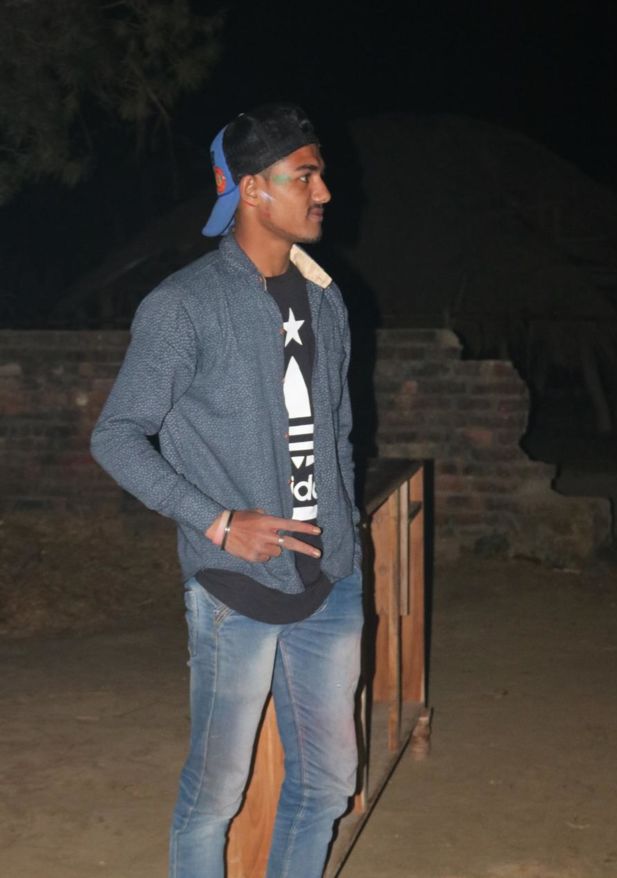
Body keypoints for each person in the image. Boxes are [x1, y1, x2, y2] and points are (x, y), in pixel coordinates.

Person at [90, 103, 363, 878]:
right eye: (304, 176)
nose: (323, 191)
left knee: (327, 786)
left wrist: (346, 538)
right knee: (216, 797)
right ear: (251, 189)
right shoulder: (184, 306)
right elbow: (115, 435)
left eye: (320, 174)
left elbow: (339, 433)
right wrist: (215, 521)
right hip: (235, 590)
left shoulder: (325, 299)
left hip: (330, 581)